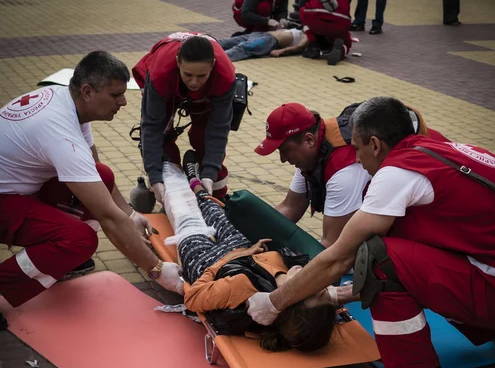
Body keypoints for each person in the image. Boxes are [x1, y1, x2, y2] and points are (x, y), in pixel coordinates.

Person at [247, 96, 495, 368]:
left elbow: (339, 258)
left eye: (359, 149)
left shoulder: (397, 173)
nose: (357, 159)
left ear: (375, 144)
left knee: (376, 255)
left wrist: (274, 303)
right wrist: (336, 295)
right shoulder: (444, 150)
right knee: (400, 245)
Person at [0, 51, 182, 321]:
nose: (123, 102)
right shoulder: (58, 130)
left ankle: (61, 259)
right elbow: (107, 216)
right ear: (87, 91)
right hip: (6, 199)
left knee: (102, 175)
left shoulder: (69, 103)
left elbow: (95, 171)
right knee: (79, 240)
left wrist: (130, 213)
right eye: (115, 95)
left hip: (17, 190)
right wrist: (156, 270)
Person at [161, 152, 348, 352]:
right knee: (211, 206)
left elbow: (193, 298)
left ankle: (169, 175)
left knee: (185, 212)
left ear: (291, 300)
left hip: (207, 261)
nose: (313, 283)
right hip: (242, 249)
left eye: (311, 291)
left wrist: (237, 256)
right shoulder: (293, 268)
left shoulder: (243, 287)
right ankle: (195, 183)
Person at [132, 32, 236, 201]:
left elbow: (218, 128)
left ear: (213, 65)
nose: (194, 82)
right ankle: (170, 189)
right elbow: (152, 126)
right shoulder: (160, 73)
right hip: (166, 81)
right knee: (163, 139)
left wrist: (209, 174)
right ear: (177, 63)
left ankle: (216, 195)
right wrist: (154, 175)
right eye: (188, 74)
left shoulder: (225, 76)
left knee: (203, 138)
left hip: (208, 90)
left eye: (201, 75)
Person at [255, 103, 370, 248]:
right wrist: (249, 235)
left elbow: (332, 245)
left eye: (285, 150)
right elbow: (291, 207)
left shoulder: (343, 171)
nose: (282, 159)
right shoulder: (313, 151)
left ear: (309, 140)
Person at [299, 0, 354, 65]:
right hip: (339, 22)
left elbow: (301, 3)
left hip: (314, 17)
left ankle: (313, 44)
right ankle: (341, 50)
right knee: (346, 40)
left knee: (304, 16)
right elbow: (345, 9)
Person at [218, 28, 308, 62]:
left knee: (243, 48)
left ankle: (217, 59)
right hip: (261, 34)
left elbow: (300, 46)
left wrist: (283, 51)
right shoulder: (299, 30)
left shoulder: (307, 36)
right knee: (227, 42)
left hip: (270, 40)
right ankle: (205, 44)